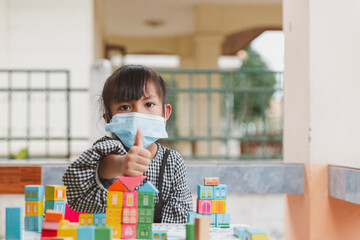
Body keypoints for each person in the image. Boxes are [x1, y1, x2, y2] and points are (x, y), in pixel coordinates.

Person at [63, 65, 192, 223]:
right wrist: (121, 164)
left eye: (149, 104)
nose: (138, 114)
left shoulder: (173, 161)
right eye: (125, 107)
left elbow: (182, 214)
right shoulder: (106, 151)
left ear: (166, 112)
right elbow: (79, 187)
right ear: (109, 119)